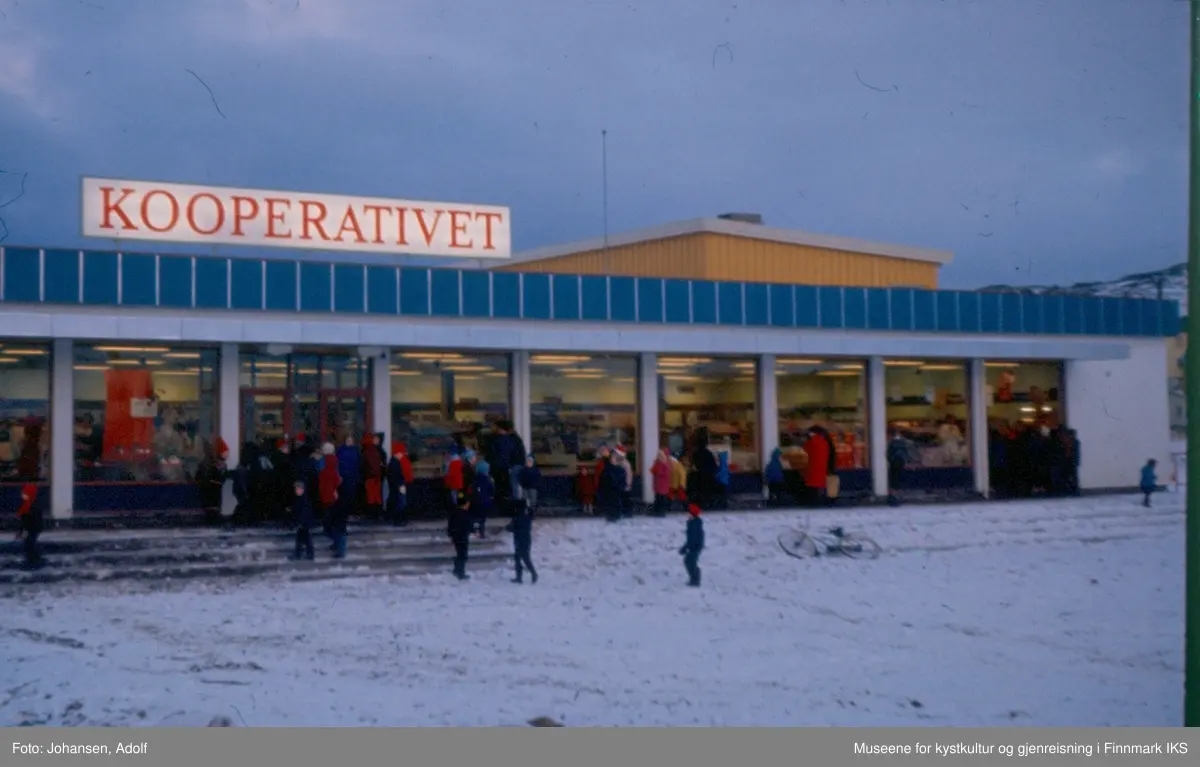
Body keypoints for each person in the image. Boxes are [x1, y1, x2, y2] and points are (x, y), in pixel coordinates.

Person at [13, 478, 45, 570]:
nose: (22, 495)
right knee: (29, 544)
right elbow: (24, 520)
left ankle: (34, 561)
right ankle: (34, 559)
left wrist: (23, 531)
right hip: (31, 528)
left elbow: (28, 520)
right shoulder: (27, 504)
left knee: (30, 544)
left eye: (24, 493)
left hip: (33, 528)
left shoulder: (32, 505)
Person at [506, 498, 538, 584]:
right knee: (524, 557)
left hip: (518, 539)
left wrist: (509, 528)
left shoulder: (516, 518)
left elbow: (510, 528)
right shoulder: (527, 517)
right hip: (526, 539)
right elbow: (533, 514)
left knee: (520, 558)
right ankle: (530, 574)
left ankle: (523, 576)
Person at [195, 440, 226, 525]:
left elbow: (199, 478)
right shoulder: (206, 463)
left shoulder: (210, 463)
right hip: (210, 497)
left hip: (211, 496)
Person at [386, 441, 413, 526]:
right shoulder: (396, 462)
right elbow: (399, 475)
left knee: (399, 502)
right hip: (400, 485)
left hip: (398, 485)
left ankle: (398, 519)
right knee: (401, 503)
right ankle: (399, 520)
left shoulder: (394, 462)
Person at [447, 494, 474, 580]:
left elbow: (450, 526)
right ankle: (460, 572)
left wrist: (450, 535)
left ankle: (457, 570)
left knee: (460, 554)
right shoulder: (465, 515)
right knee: (463, 555)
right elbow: (468, 526)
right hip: (462, 537)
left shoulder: (454, 513)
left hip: (456, 537)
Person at [678, 504, 705, 588]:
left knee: (689, 562)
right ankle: (695, 577)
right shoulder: (694, 522)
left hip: (695, 546)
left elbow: (692, 538)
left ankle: (695, 579)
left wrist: (685, 548)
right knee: (690, 561)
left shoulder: (693, 523)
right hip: (696, 545)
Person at [290, 479, 316, 561]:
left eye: (298, 489)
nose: (296, 490)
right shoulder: (300, 499)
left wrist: (301, 522)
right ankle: (300, 554)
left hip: (305, 524)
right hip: (303, 523)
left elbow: (305, 512)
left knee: (306, 540)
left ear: (302, 489)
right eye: (295, 489)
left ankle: (307, 554)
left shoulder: (304, 500)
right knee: (300, 540)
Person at [361, 433, 385, 521]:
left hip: (374, 477)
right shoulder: (371, 451)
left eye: (377, 439)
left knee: (374, 496)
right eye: (374, 439)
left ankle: (373, 514)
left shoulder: (369, 451)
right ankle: (374, 514)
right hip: (373, 477)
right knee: (374, 496)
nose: (376, 441)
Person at [474, 457, 495, 538]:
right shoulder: (489, 479)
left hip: (477, 501)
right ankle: (481, 533)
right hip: (486, 502)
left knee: (476, 518)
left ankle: (476, 530)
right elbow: (492, 489)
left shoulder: (476, 478)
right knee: (482, 519)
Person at [886, 430, 908, 507]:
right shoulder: (903, 443)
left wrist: (890, 461)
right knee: (898, 481)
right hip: (900, 464)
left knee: (893, 481)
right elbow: (906, 453)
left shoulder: (892, 443)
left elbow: (888, 454)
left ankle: (893, 498)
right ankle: (896, 498)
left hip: (893, 464)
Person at [651, 448, 672, 516]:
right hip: (658, 483)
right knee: (658, 498)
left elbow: (665, 473)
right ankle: (657, 511)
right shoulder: (658, 462)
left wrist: (658, 472)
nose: (658, 456)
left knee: (661, 498)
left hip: (662, 484)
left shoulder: (666, 463)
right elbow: (653, 471)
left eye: (660, 455)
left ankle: (660, 512)